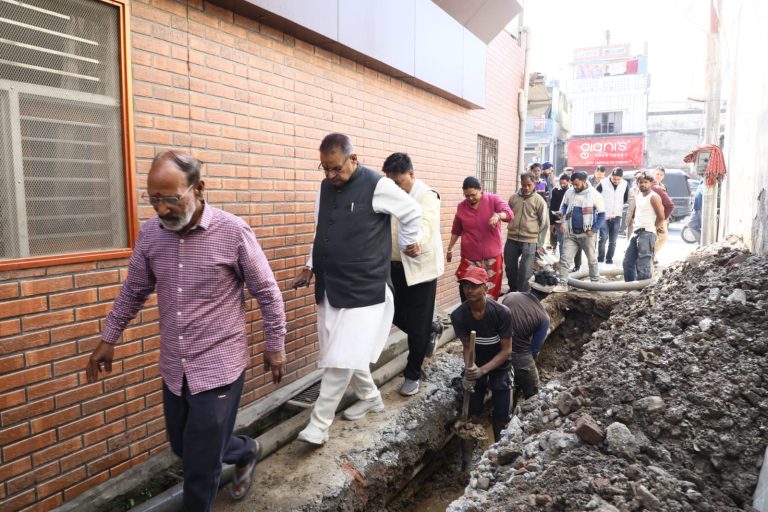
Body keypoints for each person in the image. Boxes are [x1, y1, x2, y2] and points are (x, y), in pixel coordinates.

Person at [85, 152, 288, 511]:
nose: (162, 209)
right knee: (182, 445)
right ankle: (245, 450)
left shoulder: (233, 232)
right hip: (175, 367)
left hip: (219, 367)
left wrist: (275, 344)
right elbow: (134, 290)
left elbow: (267, 292)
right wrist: (109, 337)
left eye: (171, 198)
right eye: (153, 198)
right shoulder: (151, 235)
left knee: (200, 467)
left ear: (199, 188)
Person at [292, 133, 422, 446]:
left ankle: (319, 425)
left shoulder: (378, 185)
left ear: (353, 158)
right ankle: (371, 396)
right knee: (343, 350)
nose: (330, 175)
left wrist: (408, 242)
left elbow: (411, 211)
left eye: (336, 168)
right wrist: (310, 265)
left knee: (340, 357)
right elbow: (322, 231)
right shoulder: (325, 188)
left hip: (366, 287)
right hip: (330, 284)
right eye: (324, 168)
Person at [382, 152, 444, 397]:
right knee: (391, 313)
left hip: (420, 270)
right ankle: (430, 329)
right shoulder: (388, 195)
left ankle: (412, 374)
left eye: (398, 182)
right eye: (391, 182)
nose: (395, 187)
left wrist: (416, 241)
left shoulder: (427, 195)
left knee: (417, 325)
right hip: (393, 267)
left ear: (411, 174)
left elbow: (427, 223)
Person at [450, 266, 513, 442]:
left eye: (474, 286)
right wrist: (469, 369)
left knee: (502, 414)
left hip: (500, 366)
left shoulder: (501, 313)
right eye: (465, 286)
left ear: (485, 287)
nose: (469, 290)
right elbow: (467, 347)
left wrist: (483, 370)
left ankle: (499, 448)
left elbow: (507, 350)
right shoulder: (458, 316)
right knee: (472, 410)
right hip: (477, 364)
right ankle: (472, 444)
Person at [446, 176, 513, 301]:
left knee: (489, 293)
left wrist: (498, 215)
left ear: (480, 189)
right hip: (469, 257)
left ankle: (489, 313)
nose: (470, 198)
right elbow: (456, 230)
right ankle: (468, 313)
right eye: (467, 196)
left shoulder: (493, 200)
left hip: (492, 258)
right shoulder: (462, 207)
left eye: (473, 195)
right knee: (468, 290)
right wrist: (449, 248)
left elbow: (509, 214)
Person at [553, 171, 606, 292]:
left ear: (584, 181)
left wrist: (594, 229)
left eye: (577, 184)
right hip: (571, 232)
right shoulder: (569, 192)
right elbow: (564, 206)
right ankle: (562, 284)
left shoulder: (594, 194)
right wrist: (562, 214)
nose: (575, 187)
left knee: (592, 259)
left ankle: (595, 284)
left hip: (587, 234)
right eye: (573, 184)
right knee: (565, 259)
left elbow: (602, 214)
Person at [500, 291, 550, 404]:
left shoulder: (510, 296)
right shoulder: (544, 317)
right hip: (520, 355)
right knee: (533, 393)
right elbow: (535, 349)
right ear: (547, 294)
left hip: (497, 348)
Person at [504, 172, 549, 293]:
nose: (526, 188)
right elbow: (508, 215)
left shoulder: (539, 201)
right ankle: (513, 290)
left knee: (525, 271)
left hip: (529, 240)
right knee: (510, 267)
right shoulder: (513, 198)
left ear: (534, 183)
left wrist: (538, 240)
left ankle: (523, 294)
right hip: (512, 238)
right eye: (524, 185)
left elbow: (544, 223)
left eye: (529, 185)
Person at [624, 171, 665, 281]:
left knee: (643, 265)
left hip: (647, 233)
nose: (642, 184)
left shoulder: (654, 197)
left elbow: (661, 216)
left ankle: (642, 288)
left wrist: (653, 229)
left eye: (645, 182)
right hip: (636, 231)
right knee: (627, 262)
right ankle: (630, 286)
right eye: (640, 182)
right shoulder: (639, 195)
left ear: (651, 183)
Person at [596, 167, 629, 264]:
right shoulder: (603, 183)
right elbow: (595, 196)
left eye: (619, 179)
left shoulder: (625, 184)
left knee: (613, 240)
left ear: (621, 178)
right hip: (603, 215)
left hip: (617, 216)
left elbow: (625, 198)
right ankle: (600, 259)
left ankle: (609, 259)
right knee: (603, 237)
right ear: (611, 176)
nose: (616, 181)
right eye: (614, 179)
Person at [548, 174, 570, 254]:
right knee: (562, 241)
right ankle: (562, 259)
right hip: (558, 220)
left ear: (568, 182)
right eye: (561, 183)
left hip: (569, 220)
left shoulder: (572, 191)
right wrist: (552, 223)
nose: (562, 185)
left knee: (569, 242)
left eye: (564, 183)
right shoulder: (555, 191)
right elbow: (552, 207)